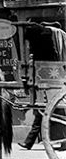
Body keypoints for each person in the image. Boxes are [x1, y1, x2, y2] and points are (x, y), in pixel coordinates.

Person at [19, 21, 66, 151]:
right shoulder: (49, 42)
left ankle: (29, 142)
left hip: (48, 83)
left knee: (54, 112)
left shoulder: (45, 41)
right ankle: (28, 142)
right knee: (42, 112)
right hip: (45, 84)